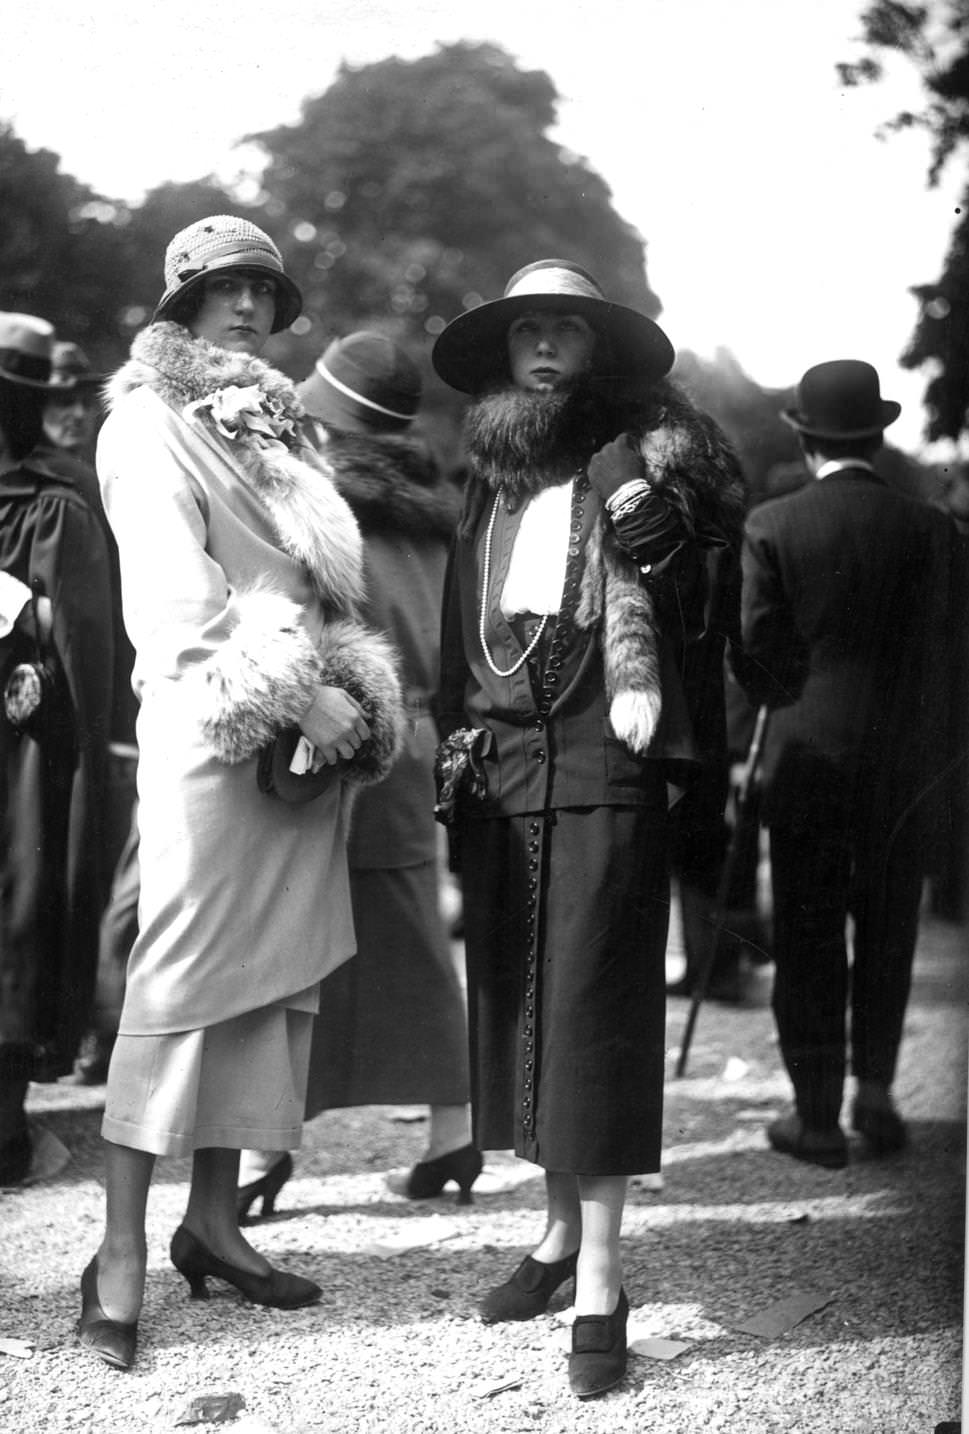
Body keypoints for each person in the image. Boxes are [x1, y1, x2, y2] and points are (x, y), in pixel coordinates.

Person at [82, 215, 403, 1372]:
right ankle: (117, 1256)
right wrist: (296, 689)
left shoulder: (276, 426)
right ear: (180, 303)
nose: (251, 306)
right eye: (224, 288)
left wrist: (338, 692)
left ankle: (214, 1228)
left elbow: (318, 581)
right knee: (178, 986)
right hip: (215, 731)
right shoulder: (144, 422)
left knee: (269, 992)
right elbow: (174, 604)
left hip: (301, 740)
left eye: (266, 288)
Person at [432, 259, 745, 1397]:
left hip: (612, 770)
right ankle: (558, 1240)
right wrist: (451, 745)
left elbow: (707, 610)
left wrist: (646, 522)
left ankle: (604, 1279)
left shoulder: (642, 468)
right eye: (529, 332)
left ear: (595, 348)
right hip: (504, 772)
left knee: (595, 1017)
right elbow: (457, 646)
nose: (548, 346)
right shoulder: (490, 485)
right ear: (507, 354)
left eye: (568, 328)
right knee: (520, 1011)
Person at [237, 331, 478, 1218]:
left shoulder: (318, 506)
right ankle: (452, 1136)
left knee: (292, 947)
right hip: (410, 744)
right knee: (414, 939)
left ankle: (265, 1151)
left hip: (333, 742)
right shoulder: (440, 511)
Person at [740, 359, 955, 1169]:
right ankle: (876, 1091)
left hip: (806, 761)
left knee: (805, 934)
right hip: (905, 766)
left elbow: (757, 659)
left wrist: (787, 686)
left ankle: (816, 1115)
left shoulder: (772, 524)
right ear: (878, 431)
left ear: (801, 434)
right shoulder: (930, 528)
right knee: (890, 926)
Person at [0, 314, 115, 1184]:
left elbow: (82, 641)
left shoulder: (59, 500)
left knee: (22, 907)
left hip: (24, 744)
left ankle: (7, 1126)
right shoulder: (59, 501)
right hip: (26, 741)